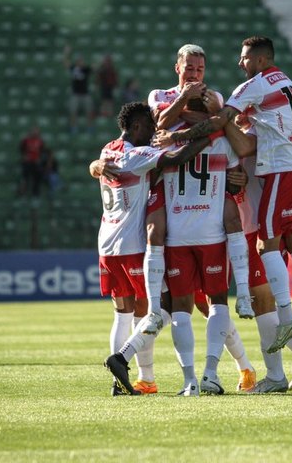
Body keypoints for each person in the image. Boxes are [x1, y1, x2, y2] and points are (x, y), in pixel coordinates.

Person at [155, 36, 292, 354]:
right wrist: (230, 121)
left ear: (260, 60)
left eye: (244, 58)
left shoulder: (252, 87)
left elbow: (220, 121)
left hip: (279, 173)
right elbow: (243, 143)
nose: (239, 63)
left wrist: (181, 133)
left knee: (266, 245)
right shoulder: (283, 83)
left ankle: (287, 319)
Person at [96, 102, 212, 395]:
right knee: (164, 310)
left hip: (106, 244)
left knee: (123, 314)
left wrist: (93, 166)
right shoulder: (138, 154)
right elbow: (178, 157)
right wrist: (210, 134)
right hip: (132, 245)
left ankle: (132, 381)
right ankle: (122, 359)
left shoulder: (108, 149)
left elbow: (96, 167)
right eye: (149, 126)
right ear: (136, 127)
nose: (153, 131)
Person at [225, 113, 292, 393]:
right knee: (261, 305)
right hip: (246, 227)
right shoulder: (239, 135)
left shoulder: (257, 135)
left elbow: (248, 156)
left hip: (261, 227)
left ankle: (277, 375)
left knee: (263, 303)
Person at [63, 45, 94, 133]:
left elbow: (95, 67)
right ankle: (73, 127)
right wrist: (66, 53)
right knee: (73, 111)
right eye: (79, 61)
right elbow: (65, 63)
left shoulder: (86, 69)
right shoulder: (74, 68)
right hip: (75, 93)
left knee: (89, 111)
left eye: (82, 60)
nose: (81, 62)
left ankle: (90, 127)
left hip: (85, 93)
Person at [19, 127, 45, 197]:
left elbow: (42, 151)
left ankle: (36, 191)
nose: (35, 133)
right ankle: (23, 188)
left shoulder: (40, 141)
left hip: (36, 161)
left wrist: (39, 158)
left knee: (39, 172)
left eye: (36, 132)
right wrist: (24, 156)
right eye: (33, 131)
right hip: (28, 161)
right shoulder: (26, 140)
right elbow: (22, 149)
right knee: (26, 171)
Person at [96, 54, 118, 118]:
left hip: (110, 87)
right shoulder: (102, 69)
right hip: (104, 86)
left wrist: (116, 85)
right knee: (104, 101)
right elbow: (98, 78)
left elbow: (115, 78)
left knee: (110, 101)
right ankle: (104, 113)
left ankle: (109, 114)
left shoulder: (112, 69)